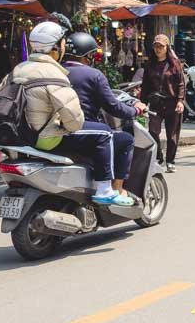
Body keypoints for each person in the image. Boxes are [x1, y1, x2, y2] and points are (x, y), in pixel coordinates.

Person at [7, 21, 133, 206]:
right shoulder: (53, 72)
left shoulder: (19, 69)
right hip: (46, 136)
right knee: (104, 132)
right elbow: (73, 119)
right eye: (63, 42)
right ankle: (105, 190)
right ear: (56, 47)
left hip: (23, 135)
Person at [62, 31, 147, 191]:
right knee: (125, 140)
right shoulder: (94, 75)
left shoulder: (55, 71)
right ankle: (116, 190)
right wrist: (135, 111)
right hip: (82, 131)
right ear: (88, 55)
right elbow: (113, 106)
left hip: (54, 132)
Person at [141, 34, 187, 173]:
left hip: (172, 103)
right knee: (153, 131)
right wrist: (142, 103)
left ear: (167, 47)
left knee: (172, 135)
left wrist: (180, 101)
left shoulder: (175, 64)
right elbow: (145, 86)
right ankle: (159, 156)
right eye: (156, 46)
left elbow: (181, 83)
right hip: (156, 103)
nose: (158, 49)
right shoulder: (150, 65)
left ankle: (170, 161)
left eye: (161, 46)